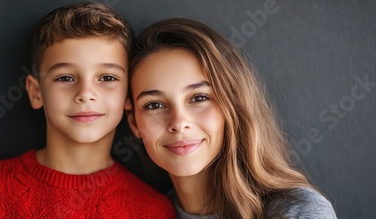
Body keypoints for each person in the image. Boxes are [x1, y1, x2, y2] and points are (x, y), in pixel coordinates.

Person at [0, 2, 175, 218]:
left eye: (107, 78)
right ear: (36, 93)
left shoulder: (152, 210)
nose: (85, 93)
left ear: (128, 94)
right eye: (65, 78)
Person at [125, 17, 337, 218]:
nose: (179, 123)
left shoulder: (296, 211)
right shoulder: (142, 214)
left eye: (199, 98)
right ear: (134, 122)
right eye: (154, 105)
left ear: (232, 105)